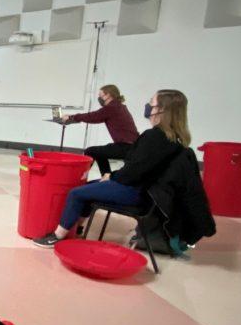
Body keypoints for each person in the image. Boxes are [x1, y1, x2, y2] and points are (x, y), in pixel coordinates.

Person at [33, 89, 190, 247]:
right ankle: (76, 229)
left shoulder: (154, 137)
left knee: (76, 193)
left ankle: (57, 236)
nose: (148, 105)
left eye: (151, 102)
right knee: (87, 188)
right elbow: (140, 168)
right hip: (149, 193)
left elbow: (134, 171)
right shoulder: (174, 139)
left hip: (136, 192)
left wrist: (112, 177)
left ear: (161, 110)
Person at [63, 85, 138, 176]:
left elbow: (93, 116)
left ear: (108, 95)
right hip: (133, 145)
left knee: (90, 151)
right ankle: (106, 176)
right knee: (99, 152)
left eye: (100, 95)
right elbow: (97, 118)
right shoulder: (120, 106)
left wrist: (72, 117)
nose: (99, 98)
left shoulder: (112, 107)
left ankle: (80, 177)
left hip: (125, 147)